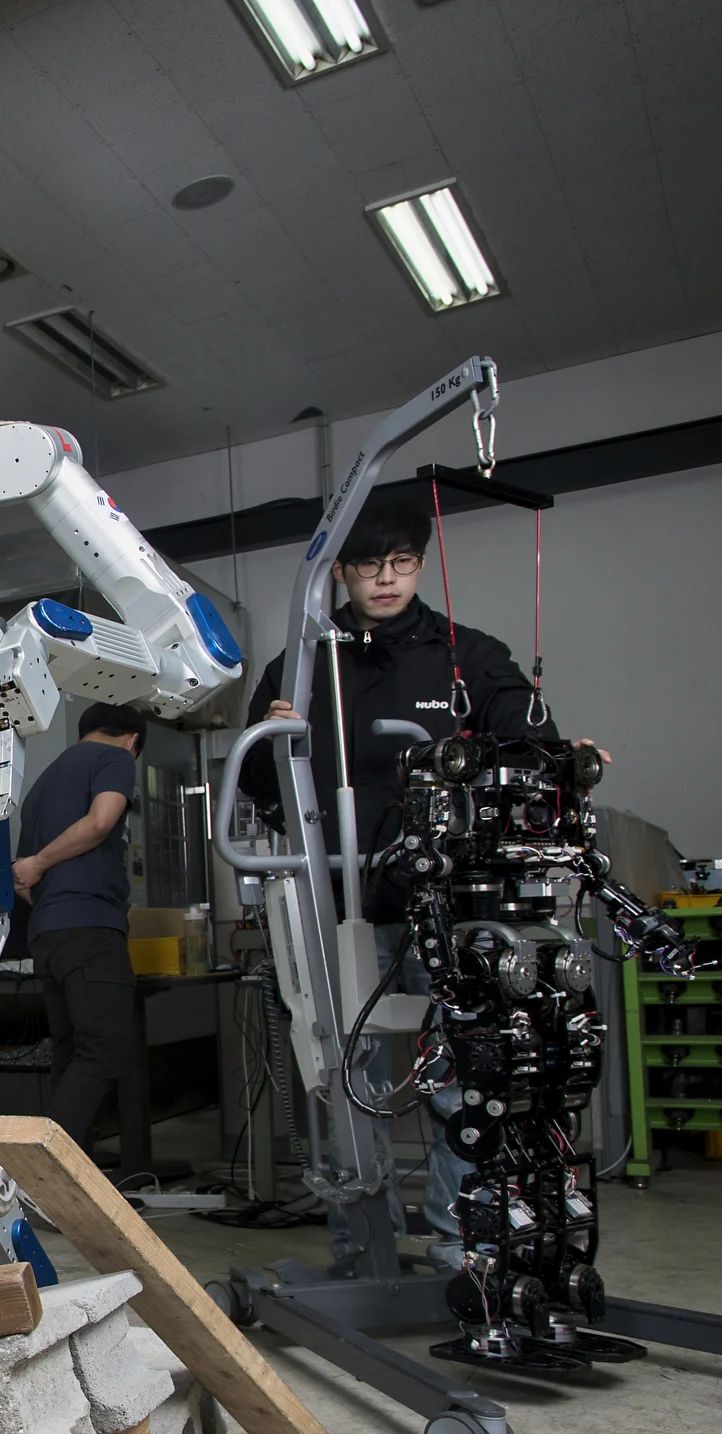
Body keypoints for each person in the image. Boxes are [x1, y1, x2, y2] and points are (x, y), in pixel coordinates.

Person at [239, 487, 573, 1263]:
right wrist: (271, 743)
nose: (385, 578)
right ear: (341, 573)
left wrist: (563, 758)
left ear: (420, 564)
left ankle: (465, 1237)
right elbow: (259, 790)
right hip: (338, 900)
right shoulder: (301, 663)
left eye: (401, 563)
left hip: (445, 902)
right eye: (367, 565)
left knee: (467, 1072)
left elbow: (531, 741)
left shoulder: (468, 654)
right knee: (345, 1078)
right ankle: (365, 1243)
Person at [13, 701, 147, 1151]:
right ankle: (46, 1168)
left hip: (48, 936)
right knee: (103, 1049)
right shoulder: (116, 758)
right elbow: (101, 821)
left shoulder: (42, 785)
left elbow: (21, 880)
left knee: (70, 1056)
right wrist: (44, 863)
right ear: (132, 740)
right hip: (90, 929)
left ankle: (69, 1184)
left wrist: (42, 875)